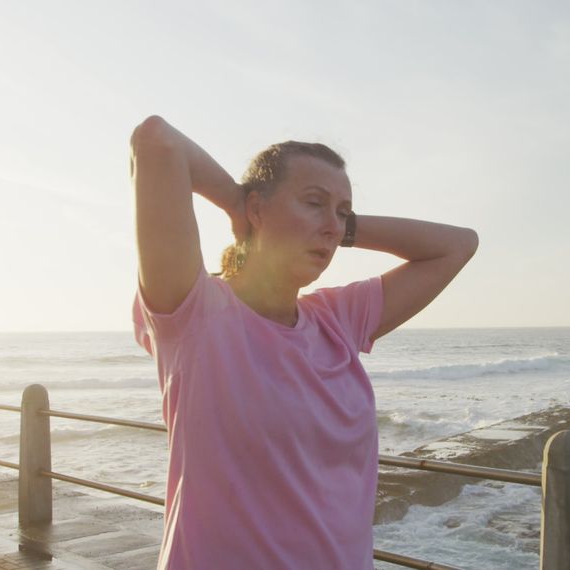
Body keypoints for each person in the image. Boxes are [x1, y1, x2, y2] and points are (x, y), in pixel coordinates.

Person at [130, 115, 478, 569]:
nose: (333, 227)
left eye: (342, 211)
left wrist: (340, 226)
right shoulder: (195, 314)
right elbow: (156, 140)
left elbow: (459, 245)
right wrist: (237, 203)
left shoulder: (337, 320)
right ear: (258, 209)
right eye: (314, 203)